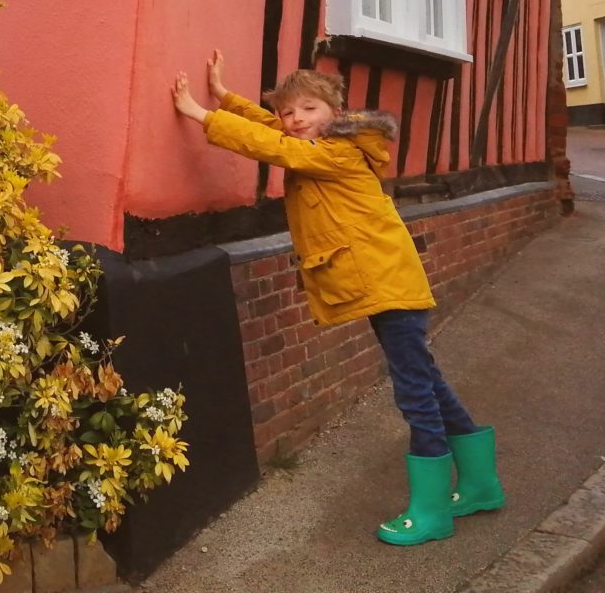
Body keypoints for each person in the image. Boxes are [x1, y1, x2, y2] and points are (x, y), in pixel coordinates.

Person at [171, 50, 503, 546]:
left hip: (385, 281)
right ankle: (480, 485)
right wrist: (227, 98)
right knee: (426, 378)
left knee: (414, 392)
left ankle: (432, 510)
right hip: (382, 280)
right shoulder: (325, 140)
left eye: (308, 108)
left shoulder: (338, 152)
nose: (295, 119)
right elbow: (272, 129)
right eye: (289, 111)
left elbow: (277, 147)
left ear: (334, 111)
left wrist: (202, 115)